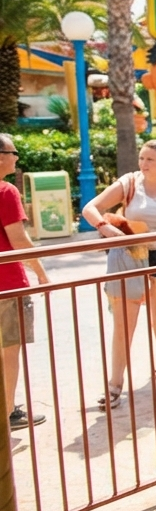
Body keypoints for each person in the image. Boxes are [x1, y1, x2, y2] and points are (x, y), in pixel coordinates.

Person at [82, 140, 156, 403]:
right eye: (141, 158)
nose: (144, 164)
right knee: (124, 322)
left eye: (150, 160)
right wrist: (107, 228)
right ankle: (115, 384)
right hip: (131, 255)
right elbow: (90, 207)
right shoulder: (130, 183)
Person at [0, 134, 49, 429]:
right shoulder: (6, 191)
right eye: (13, 152)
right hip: (7, 283)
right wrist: (41, 273)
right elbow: (19, 239)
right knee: (9, 352)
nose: (16, 157)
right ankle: (5, 419)